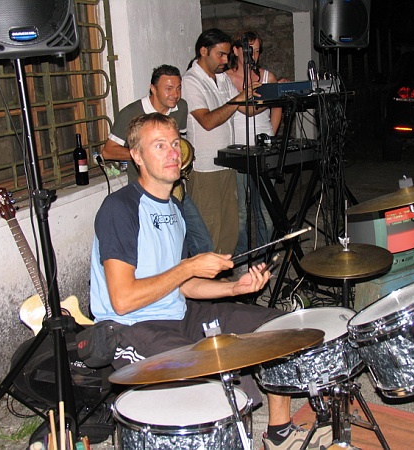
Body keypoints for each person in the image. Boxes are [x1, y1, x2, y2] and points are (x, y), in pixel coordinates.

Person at [90, 113, 329, 449]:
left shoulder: (174, 210)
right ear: (137, 156)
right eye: (159, 146)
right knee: (216, 374)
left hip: (180, 313)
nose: (173, 153)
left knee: (277, 328)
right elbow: (123, 300)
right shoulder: (120, 208)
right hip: (131, 327)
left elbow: (183, 286)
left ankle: (279, 432)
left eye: (175, 143)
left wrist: (234, 287)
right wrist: (189, 266)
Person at [102, 64, 212, 256]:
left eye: (178, 88)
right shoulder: (131, 113)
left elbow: (180, 143)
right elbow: (108, 152)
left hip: (175, 189)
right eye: (169, 88)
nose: (175, 94)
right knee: (160, 250)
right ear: (153, 88)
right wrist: (149, 154)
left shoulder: (181, 107)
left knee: (202, 243)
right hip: (145, 193)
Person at [182, 28, 266, 255]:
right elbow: (208, 121)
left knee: (230, 227)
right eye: (220, 54)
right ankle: (208, 274)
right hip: (205, 168)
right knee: (209, 229)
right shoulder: (191, 81)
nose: (225, 61)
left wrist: (276, 98)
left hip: (227, 163)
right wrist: (238, 98)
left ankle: (224, 271)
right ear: (203, 51)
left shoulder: (222, 78)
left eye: (227, 55)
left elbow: (245, 110)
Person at [226, 30, 282, 263]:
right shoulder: (225, 78)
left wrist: (270, 136)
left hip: (263, 149)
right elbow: (244, 109)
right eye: (249, 50)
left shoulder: (268, 76)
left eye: (257, 51)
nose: (254, 55)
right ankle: (241, 259)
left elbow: (277, 108)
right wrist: (262, 95)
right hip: (237, 149)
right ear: (236, 50)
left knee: (266, 211)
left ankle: (264, 257)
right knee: (240, 212)